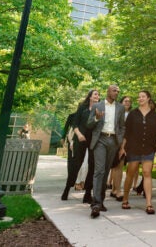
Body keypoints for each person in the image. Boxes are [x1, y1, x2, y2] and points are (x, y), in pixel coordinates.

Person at [118, 90, 156, 215]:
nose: (140, 98)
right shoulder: (133, 114)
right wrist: (122, 147)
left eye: (143, 96)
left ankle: (149, 203)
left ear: (148, 98)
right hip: (134, 148)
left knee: (147, 173)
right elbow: (127, 133)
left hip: (149, 147)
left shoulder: (155, 116)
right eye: (139, 97)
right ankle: (125, 198)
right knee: (131, 173)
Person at [87, 84, 126, 218]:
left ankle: (100, 201)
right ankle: (96, 203)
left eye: (118, 91)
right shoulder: (97, 106)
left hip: (113, 141)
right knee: (99, 170)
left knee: (106, 171)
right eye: (114, 90)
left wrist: (119, 142)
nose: (117, 93)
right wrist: (97, 118)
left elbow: (122, 126)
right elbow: (89, 124)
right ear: (108, 91)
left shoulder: (120, 108)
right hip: (100, 140)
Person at [61, 89, 99, 202]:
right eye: (95, 94)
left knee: (92, 166)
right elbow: (75, 123)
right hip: (80, 138)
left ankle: (87, 194)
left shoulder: (100, 109)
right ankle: (67, 189)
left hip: (93, 140)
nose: (97, 96)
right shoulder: (82, 108)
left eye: (98, 95)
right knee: (76, 164)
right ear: (90, 96)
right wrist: (78, 135)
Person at [109, 95, 133, 200]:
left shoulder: (132, 115)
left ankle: (114, 190)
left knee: (118, 166)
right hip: (117, 142)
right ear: (121, 102)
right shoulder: (117, 113)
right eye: (125, 101)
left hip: (127, 142)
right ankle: (118, 191)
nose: (127, 102)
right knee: (117, 166)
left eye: (129, 101)